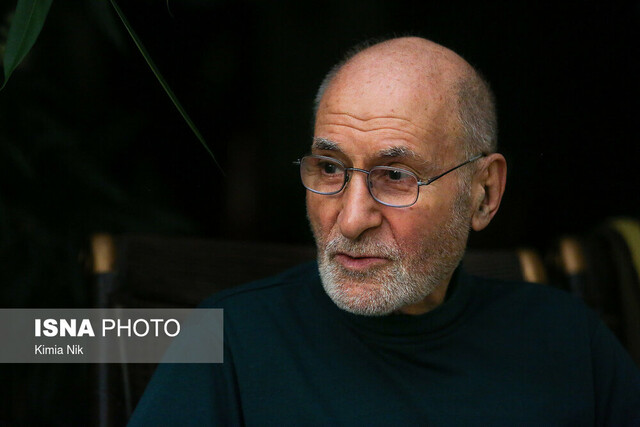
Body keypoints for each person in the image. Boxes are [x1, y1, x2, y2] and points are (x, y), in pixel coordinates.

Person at [129, 37, 640, 425]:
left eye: (395, 175)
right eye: (330, 168)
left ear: (484, 193)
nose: (351, 220)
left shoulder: (568, 340)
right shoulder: (224, 337)